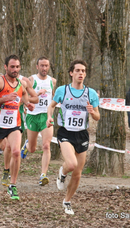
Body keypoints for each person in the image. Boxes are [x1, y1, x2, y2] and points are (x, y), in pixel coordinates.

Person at [46, 59, 100, 215]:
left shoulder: (91, 93)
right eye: (77, 70)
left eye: (83, 71)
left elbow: (97, 116)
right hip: (65, 132)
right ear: (71, 73)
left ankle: (67, 201)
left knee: (77, 173)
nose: (81, 73)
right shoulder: (62, 90)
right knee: (71, 164)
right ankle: (62, 174)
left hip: (82, 134)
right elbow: (51, 106)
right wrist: (49, 117)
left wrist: (92, 112)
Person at [0, 54, 38, 200]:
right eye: (12, 66)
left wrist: (27, 104)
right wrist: (4, 98)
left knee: (16, 152)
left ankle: (12, 186)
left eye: (17, 67)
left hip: (14, 125)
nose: (15, 69)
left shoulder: (21, 83)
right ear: (6, 67)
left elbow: (23, 95)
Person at [20, 56, 57, 186]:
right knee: (32, 149)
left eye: (46, 65)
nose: (44, 68)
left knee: (46, 145)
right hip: (32, 115)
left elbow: (53, 99)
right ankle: (27, 145)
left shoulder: (53, 81)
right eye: (42, 65)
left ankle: (43, 175)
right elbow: (25, 97)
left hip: (46, 116)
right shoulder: (31, 80)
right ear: (37, 66)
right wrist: (36, 94)